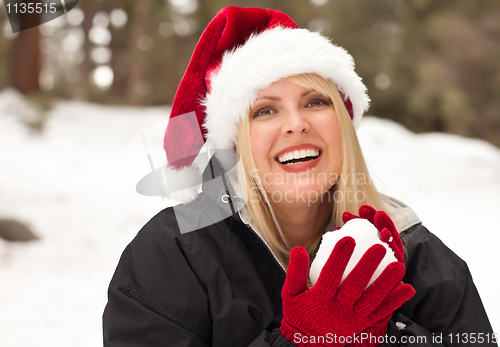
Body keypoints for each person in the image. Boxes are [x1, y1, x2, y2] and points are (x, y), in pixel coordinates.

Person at [102, 6, 497, 347]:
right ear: (237, 143)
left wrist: (387, 332)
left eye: (315, 101)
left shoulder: (414, 251)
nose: (296, 124)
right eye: (265, 111)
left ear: (342, 123)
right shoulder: (172, 253)